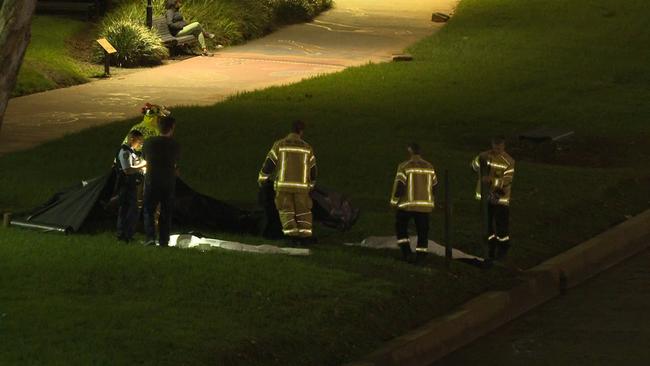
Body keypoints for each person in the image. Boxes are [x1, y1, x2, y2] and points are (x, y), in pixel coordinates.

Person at [258, 120, 317, 244]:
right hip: (302, 188)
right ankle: (305, 237)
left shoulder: (280, 144)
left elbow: (269, 164)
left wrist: (262, 179)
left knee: (286, 211)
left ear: (291, 130)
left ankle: (292, 237)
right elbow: (313, 169)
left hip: (283, 187)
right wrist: (311, 184)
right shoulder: (307, 147)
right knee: (304, 211)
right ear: (301, 131)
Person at [390, 143, 438, 263]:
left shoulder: (404, 166)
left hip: (407, 205)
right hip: (424, 207)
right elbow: (435, 186)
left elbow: (400, 186)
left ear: (409, 151)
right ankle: (421, 256)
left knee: (401, 228)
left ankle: (406, 253)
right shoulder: (429, 166)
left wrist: (394, 202)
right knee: (423, 232)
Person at [471, 136, 515, 264]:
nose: (497, 149)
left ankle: (503, 248)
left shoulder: (509, 161)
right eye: (495, 146)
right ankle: (490, 247)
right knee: (487, 224)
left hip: (500, 198)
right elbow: (473, 167)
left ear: (503, 146)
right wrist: (479, 158)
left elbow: (507, 180)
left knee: (502, 225)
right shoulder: (485, 156)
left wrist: (491, 181)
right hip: (485, 197)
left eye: (499, 146)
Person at [142, 116, 180, 247]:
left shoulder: (148, 142)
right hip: (168, 182)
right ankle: (164, 240)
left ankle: (150, 237)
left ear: (159, 127)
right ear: (172, 127)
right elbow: (175, 163)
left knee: (148, 210)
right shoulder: (175, 145)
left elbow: (144, 158)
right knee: (166, 211)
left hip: (152, 180)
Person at [116, 130, 147, 243]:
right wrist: (143, 166)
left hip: (131, 184)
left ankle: (126, 234)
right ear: (132, 139)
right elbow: (128, 170)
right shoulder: (125, 152)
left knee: (130, 210)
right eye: (139, 141)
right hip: (126, 185)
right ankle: (124, 235)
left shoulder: (131, 151)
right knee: (128, 210)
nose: (140, 144)